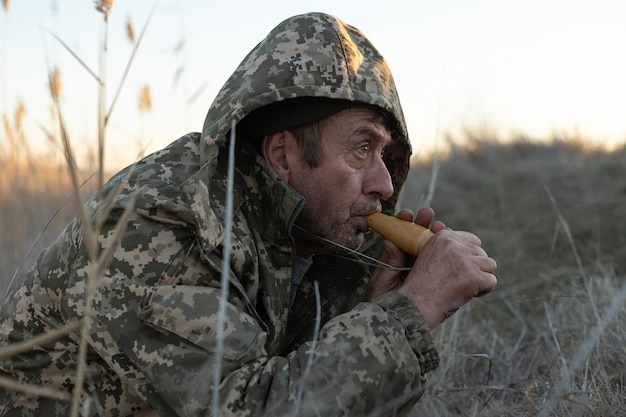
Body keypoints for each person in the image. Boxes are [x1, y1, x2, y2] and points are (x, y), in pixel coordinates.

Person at [0, 12, 497, 417]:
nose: (384, 184)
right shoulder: (161, 227)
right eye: (360, 150)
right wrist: (408, 314)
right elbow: (248, 408)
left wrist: (376, 305)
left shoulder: (314, 234)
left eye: (384, 154)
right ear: (282, 156)